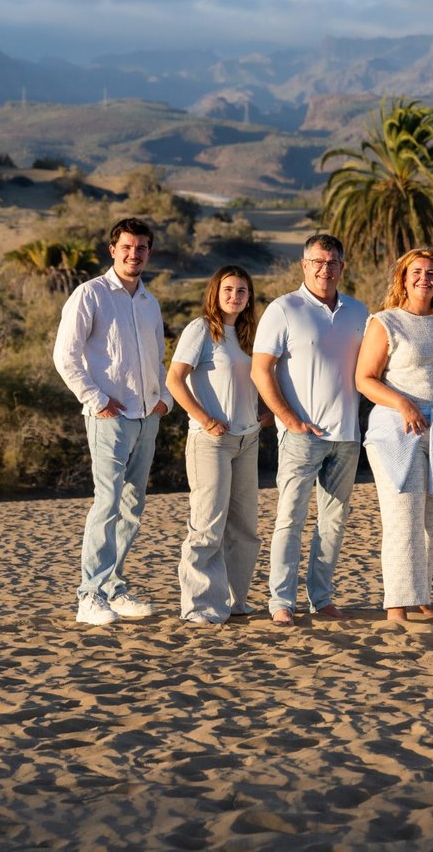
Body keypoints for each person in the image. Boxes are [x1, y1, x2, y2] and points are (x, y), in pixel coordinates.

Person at [53, 216, 172, 626]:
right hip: (109, 418)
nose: (133, 254)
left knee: (133, 506)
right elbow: (65, 357)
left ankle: (112, 587)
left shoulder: (149, 301)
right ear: (112, 249)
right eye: (126, 247)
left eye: (141, 248)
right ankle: (89, 595)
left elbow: (157, 358)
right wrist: (96, 399)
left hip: (146, 417)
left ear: (148, 252)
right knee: (106, 504)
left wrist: (164, 400)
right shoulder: (90, 295)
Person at [252, 234, 368, 627]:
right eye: (318, 261)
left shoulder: (358, 311)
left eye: (333, 261)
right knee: (291, 517)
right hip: (301, 435)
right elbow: (260, 369)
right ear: (304, 265)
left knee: (333, 523)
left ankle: (322, 599)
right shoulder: (283, 309)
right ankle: (281, 601)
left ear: (342, 267)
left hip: (346, 435)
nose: (325, 268)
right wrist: (287, 419)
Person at [355, 247, 433, 623]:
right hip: (397, 430)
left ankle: (419, 595)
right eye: (417, 272)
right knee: (402, 517)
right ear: (403, 279)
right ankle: (396, 605)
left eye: (432, 273)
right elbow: (365, 379)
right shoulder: (385, 322)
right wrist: (403, 404)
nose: (424, 279)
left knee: (432, 521)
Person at [166, 266, 267, 625]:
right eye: (228, 289)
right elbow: (174, 380)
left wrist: (264, 412)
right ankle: (200, 607)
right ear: (215, 291)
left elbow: (261, 377)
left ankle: (234, 601)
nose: (235, 297)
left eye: (242, 291)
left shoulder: (249, 335)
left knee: (245, 528)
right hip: (211, 441)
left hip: (247, 439)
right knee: (208, 525)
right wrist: (206, 420)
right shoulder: (201, 330)